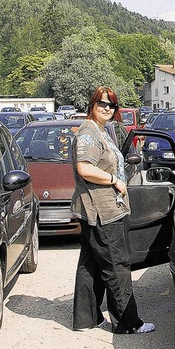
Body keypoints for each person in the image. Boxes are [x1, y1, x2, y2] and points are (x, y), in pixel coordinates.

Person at [70, 86, 155, 334]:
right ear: (92, 104)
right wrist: (114, 180)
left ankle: (86, 319)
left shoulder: (101, 130)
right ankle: (128, 323)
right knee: (117, 266)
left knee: (91, 265)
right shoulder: (88, 133)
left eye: (111, 105)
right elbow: (85, 168)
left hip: (101, 209)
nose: (107, 108)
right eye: (102, 104)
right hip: (102, 211)